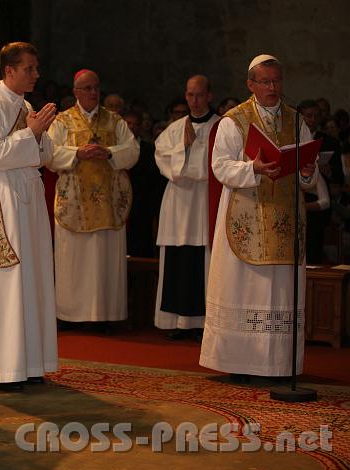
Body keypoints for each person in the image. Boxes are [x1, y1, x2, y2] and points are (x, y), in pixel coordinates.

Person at [200, 54, 318, 377]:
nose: (272, 87)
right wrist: (253, 167)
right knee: (246, 289)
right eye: (265, 81)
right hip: (247, 217)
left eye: (277, 81)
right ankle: (240, 363)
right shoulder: (234, 121)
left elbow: (309, 174)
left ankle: (280, 364)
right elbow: (220, 166)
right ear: (250, 84)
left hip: (284, 217)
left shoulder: (296, 121)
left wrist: (308, 170)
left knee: (280, 292)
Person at [0, 41, 58, 390]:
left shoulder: (26, 104)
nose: (36, 74)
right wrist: (32, 132)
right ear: (9, 71)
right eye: (29, 69)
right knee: (5, 282)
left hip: (27, 195)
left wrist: (38, 136)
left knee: (32, 276)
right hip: (1, 197)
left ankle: (30, 361)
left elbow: (45, 153)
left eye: (36, 68)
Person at [48, 69, 139, 324]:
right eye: (87, 88)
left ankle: (106, 315)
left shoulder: (114, 120)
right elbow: (49, 155)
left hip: (108, 202)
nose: (93, 93)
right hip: (75, 202)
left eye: (96, 88)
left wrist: (109, 153)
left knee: (104, 259)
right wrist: (77, 153)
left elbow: (133, 151)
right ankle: (69, 315)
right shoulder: (62, 121)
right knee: (75, 260)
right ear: (76, 92)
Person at [154, 75, 219, 340]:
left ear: (209, 96)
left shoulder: (221, 127)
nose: (194, 101)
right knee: (177, 262)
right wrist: (184, 147)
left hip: (204, 201)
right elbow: (162, 158)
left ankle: (205, 324)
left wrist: (192, 150)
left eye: (199, 95)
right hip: (179, 203)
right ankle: (177, 323)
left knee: (203, 260)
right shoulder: (175, 129)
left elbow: (218, 166)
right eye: (190, 95)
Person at [124, 110, 163, 258]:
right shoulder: (114, 149)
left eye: (136, 124)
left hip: (141, 206)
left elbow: (154, 180)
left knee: (141, 249)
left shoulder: (149, 149)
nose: (132, 127)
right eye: (128, 123)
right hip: (119, 204)